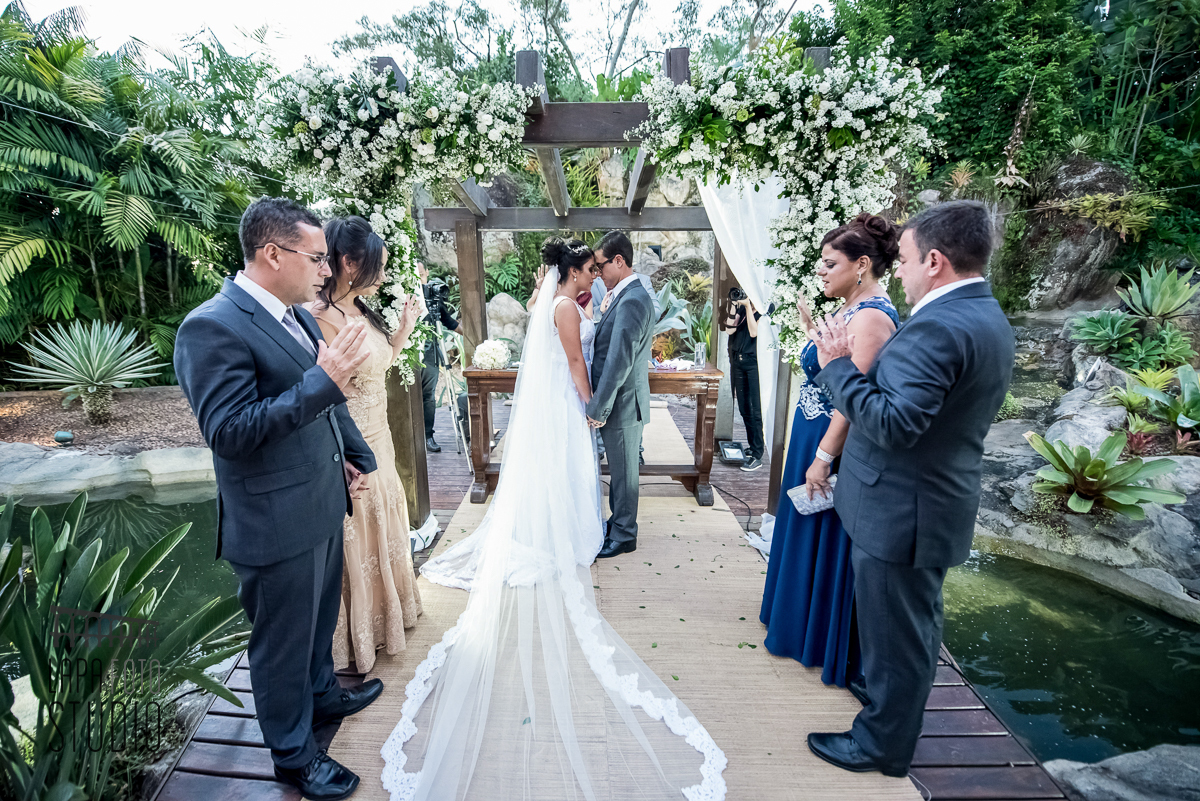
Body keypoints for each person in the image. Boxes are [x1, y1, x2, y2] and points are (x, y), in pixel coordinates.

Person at [380, 238, 726, 800]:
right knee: (569, 469)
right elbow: (572, 359)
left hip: (572, 402)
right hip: (572, 402)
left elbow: (582, 346)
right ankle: (567, 530)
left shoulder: (568, 301)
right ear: (571, 270)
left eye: (597, 268)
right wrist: (592, 409)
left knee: (573, 472)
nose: (594, 275)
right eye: (588, 268)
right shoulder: (565, 306)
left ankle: (582, 524)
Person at [174, 197, 385, 801]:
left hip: (317, 499)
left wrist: (351, 452)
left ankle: (322, 694)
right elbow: (231, 432)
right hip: (272, 519)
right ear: (273, 253)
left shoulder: (290, 314)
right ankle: (294, 756)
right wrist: (326, 382)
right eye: (316, 257)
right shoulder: (212, 325)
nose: (326, 270)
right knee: (280, 645)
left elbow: (316, 397)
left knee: (317, 623)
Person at [806, 200, 1014, 777]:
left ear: (937, 262)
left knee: (901, 640)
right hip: (923, 501)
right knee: (905, 629)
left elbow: (896, 425)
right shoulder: (982, 314)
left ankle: (880, 746)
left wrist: (839, 366)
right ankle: (885, 712)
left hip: (903, 510)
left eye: (903, 258)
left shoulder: (941, 328)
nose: (897, 268)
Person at [759, 214, 900, 689]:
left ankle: (817, 638)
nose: (819, 271)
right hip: (811, 431)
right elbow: (829, 368)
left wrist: (822, 457)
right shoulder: (848, 309)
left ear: (861, 265)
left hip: (831, 441)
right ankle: (795, 622)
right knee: (801, 527)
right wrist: (812, 334)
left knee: (822, 529)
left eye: (828, 263)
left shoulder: (873, 318)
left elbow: (851, 401)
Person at [306, 216, 424, 674]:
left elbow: (379, 366)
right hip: (352, 443)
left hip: (382, 438)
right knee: (357, 536)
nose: (384, 275)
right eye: (379, 266)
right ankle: (355, 638)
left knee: (385, 527)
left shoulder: (359, 310)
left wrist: (404, 330)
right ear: (350, 262)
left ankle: (388, 618)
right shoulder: (320, 319)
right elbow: (327, 390)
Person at [588, 230, 656, 558]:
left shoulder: (632, 301)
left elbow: (619, 362)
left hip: (624, 404)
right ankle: (619, 524)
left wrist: (598, 408)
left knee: (626, 474)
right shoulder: (625, 296)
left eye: (601, 266)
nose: (598, 273)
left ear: (619, 261)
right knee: (619, 471)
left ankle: (625, 535)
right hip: (622, 401)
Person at [720, 292, 767, 471]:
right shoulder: (740, 308)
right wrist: (734, 305)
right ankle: (752, 446)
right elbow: (729, 329)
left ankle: (757, 454)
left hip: (753, 364)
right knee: (744, 408)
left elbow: (754, 332)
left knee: (755, 409)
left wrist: (749, 307)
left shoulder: (763, 310)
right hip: (738, 362)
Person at [417, 261, 460, 453]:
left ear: (427, 273)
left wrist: (474, 338)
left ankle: (428, 436)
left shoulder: (433, 299)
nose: (419, 279)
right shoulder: (404, 297)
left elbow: (449, 322)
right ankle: (412, 438)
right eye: (414, 276)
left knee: (428, 397)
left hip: (430, 354)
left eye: (421, 275)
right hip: (410, 356)